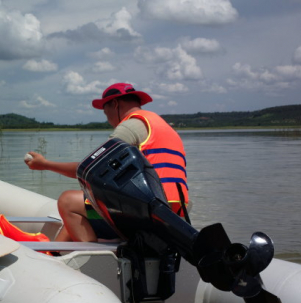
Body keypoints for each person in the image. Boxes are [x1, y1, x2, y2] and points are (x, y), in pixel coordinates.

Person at [24, 83, 188, 242]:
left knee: (68, 201)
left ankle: (88, 263)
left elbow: (89, 170)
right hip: (175, 215)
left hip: (147, 214)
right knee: (86, 207)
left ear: (115, 104)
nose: (108, 119)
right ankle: (54, 254)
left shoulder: (130, 126)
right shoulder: (162, 126)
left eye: (105, 112)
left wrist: (45, 164)